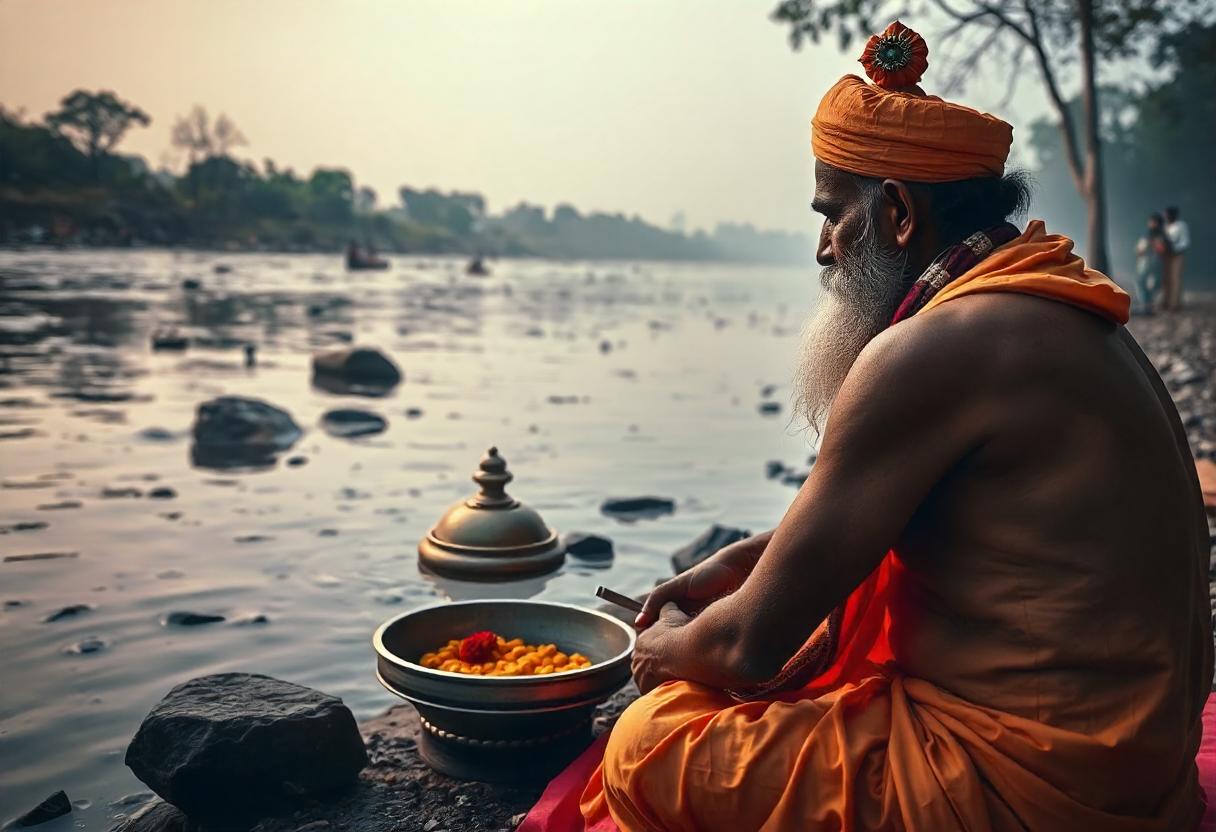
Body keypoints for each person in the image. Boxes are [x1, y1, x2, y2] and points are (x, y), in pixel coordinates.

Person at [520, 20, 1211, 832]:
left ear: (899, 215)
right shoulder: (1049, 302)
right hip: (1134, 765)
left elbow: (747, 648)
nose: (823, 249)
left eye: (832, 214)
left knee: (645, 741)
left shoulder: (935, 347)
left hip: (1036, 786)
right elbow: (881, 515)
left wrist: (663, 645)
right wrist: (732, 568)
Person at [1134, 212, 1169, 314]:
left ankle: (1147, 305)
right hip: (1146, 259)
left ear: (1157, 223)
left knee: (1144, 281)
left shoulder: (1159, 234)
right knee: (1142, 281)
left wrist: (1149, 246)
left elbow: (1161, 248)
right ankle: (1147, 304)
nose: (1150, 223)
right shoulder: (1150, 233)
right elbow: (1139, 249)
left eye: (1152, 222)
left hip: (1151, 259)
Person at [1164, 206, 1191, 311]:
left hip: (1177, 254)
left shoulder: (1181, 225)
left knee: (1175, 278)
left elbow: (1185, 241)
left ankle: (1175, 304)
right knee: (1166, 278)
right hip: (1166, 255)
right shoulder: (1165, 226)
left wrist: (1175, 248)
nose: (1166, 216)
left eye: (1168, 214)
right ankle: (1166, 301)